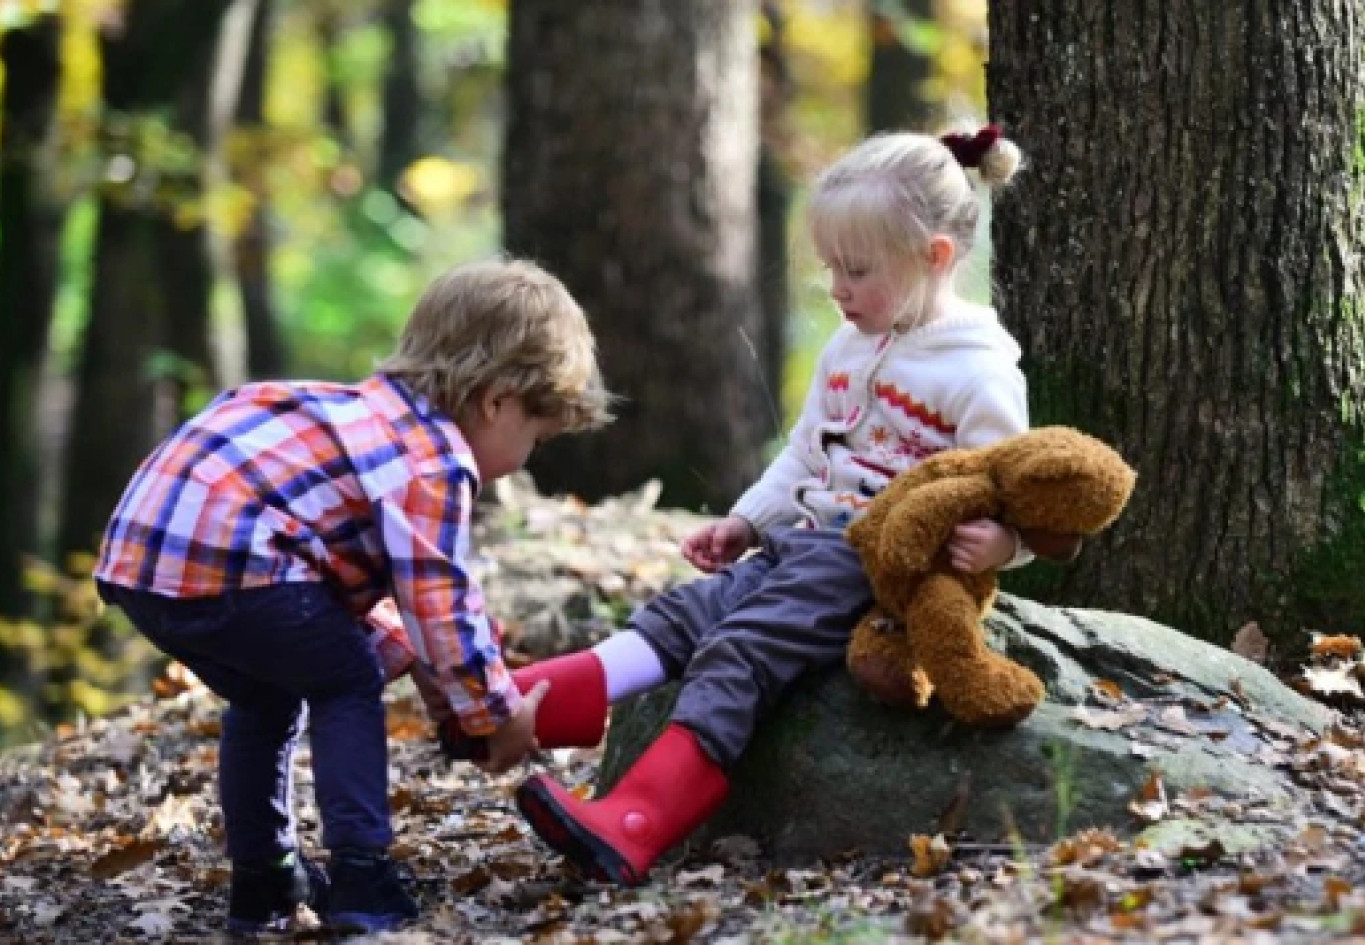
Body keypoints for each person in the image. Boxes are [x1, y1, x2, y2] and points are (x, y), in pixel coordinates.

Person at [444, 124, 1052, 885]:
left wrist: (1002, 545)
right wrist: (746, 520)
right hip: (803, 541)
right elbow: (802, 452)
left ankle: (636, 820)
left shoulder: (978, 371)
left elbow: (1020, 487)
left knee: (740, 651)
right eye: (831, 267)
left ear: (935, 257)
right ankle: (524, 704)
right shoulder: (850, 343)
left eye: (857, 270)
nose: (837, 288)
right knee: (684, 615)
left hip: (873, 563)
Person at [93, 258, 610, 933]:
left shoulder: (353, 414)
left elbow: (360, 590)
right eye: (535, 438)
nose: (526, 458)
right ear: (497, 400)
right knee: (345, 679)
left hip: (146, 559)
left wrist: (433, 673)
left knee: (266, 690)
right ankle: (364, 878)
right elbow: (439, 599)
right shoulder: (434, 457)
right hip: (227, 557)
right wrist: (493, 711)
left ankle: (266, 877)